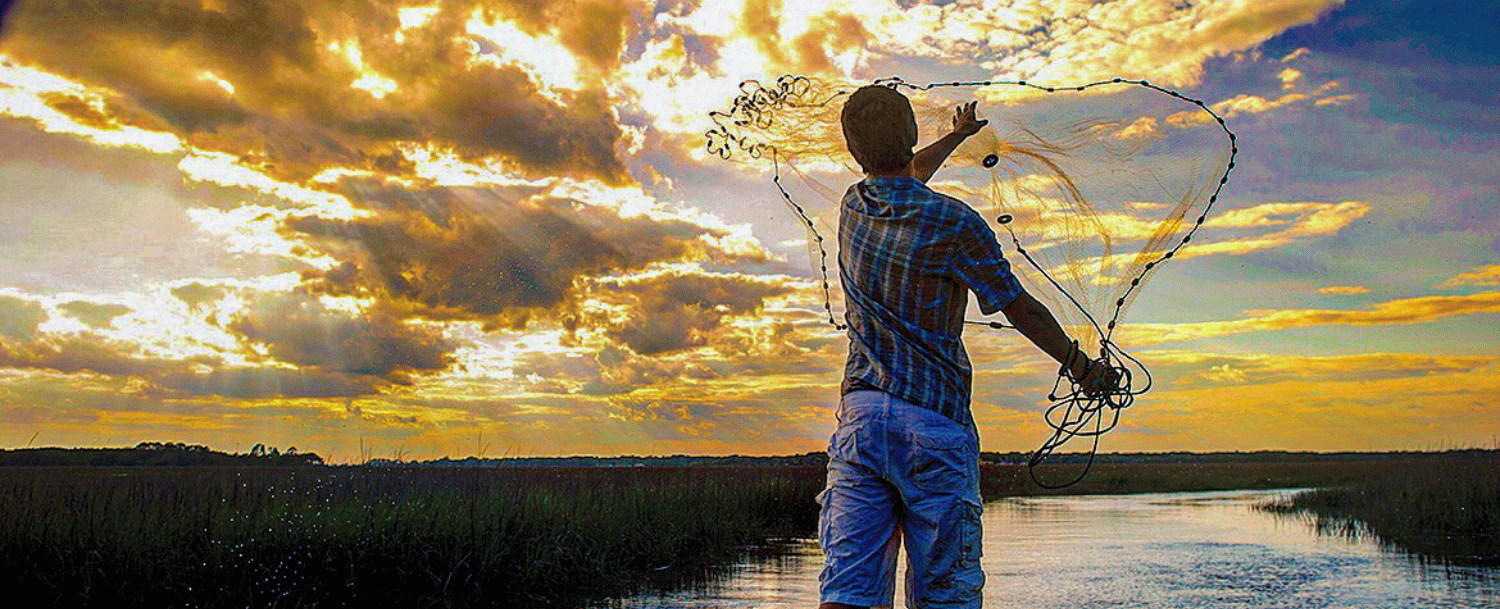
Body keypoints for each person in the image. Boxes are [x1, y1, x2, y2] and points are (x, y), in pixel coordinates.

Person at [816, 84, 1115, 609]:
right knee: (946, 597)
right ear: (912, 134)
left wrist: (956, 139)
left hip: (861, 424)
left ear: (853, 150)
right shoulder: (955, 222)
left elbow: (904, 177)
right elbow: (1019, 307)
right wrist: (1081, 367)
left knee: (848, 592)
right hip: (934, 426)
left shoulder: (854, 206)